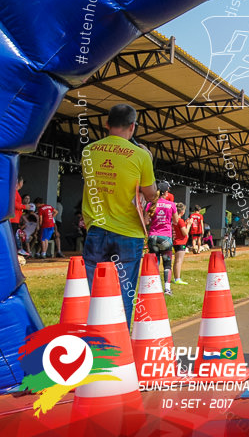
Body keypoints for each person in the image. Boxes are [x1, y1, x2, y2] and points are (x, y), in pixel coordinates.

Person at [81, 103, 157, 325]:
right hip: (128, 233)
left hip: (96, 229)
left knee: (92, 290)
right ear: (133, 126)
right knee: (123, 293)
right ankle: (119, 342)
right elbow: (150, 193)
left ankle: (94, 338)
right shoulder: (141, 156)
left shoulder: (88, 151)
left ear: (106, 124)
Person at [145, 182, 177, 295]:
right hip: (165, 238)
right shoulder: (171, 205)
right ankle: (167, 289)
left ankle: (154, 287)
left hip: (153, 237)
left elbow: (146, 221)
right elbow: (176, 221)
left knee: (155, 263)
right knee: (167, 264)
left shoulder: (150, 204)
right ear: (166, 192)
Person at [172, 203, 190, 285]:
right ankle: (177, 278)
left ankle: (176, 277)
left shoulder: (174, 221)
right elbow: (185, 233)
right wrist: (188, 225)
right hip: (181, 242)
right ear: (182, 212)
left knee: (176, 261)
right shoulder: (180, 221)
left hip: (176, 241)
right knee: (179, 261)